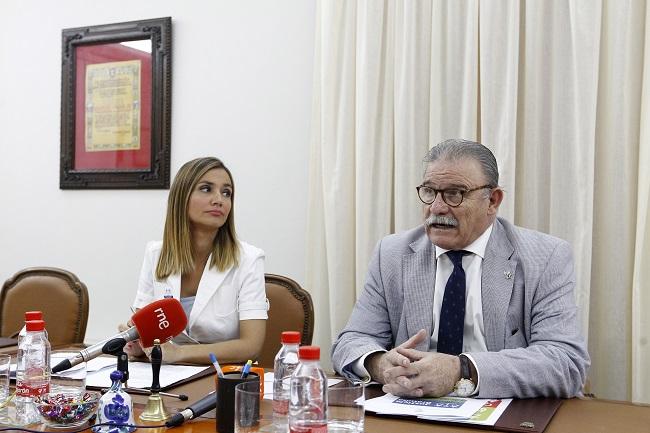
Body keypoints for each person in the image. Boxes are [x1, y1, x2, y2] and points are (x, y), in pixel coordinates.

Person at [331, 139, 590, 399]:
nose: (437, 207)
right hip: (411, 408)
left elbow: (565, 362)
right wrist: (380, 364)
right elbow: (351, 341)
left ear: (493, 200)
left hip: (503, 411)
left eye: (455, 194)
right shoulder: (393, 253)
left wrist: (461, 370)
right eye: (430, 192)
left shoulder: (545, 257)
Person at [119, 157, 268, 365]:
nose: (219, 199)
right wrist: (139, 343)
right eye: (207, 189)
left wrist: (178, 354)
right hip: (166, 376)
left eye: (227, 192)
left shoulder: (249, 259)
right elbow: (149, 331)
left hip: (222, 377)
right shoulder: (156, 253)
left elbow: (250, 346)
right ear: (182, 197)